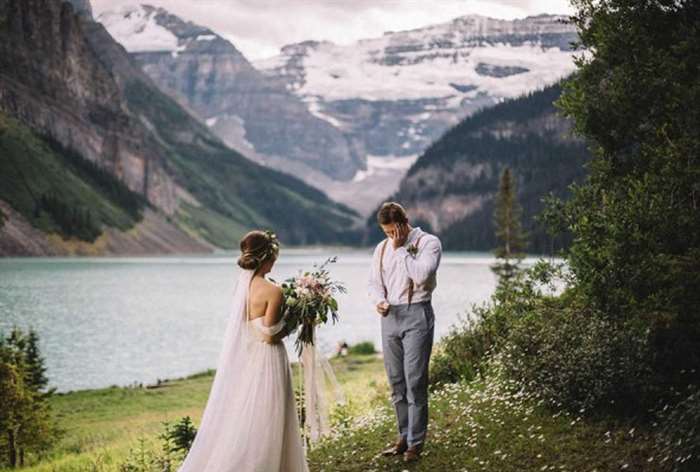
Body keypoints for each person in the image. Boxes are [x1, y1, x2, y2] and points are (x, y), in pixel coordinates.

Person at [178, 230, 308, 472]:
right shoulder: (274, 291)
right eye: (275, 255)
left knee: (246, 414)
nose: (276, 260)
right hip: (268, 359)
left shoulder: (242, 286)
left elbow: (248, 325)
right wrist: (297, 320)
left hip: (247, 357)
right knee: (270, 416)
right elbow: (270, 335)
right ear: (268, 256)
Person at [368, 202, 442, 463]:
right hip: (389, 317)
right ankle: (403, 435)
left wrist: (400, 250)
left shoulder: (429, 243)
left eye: (393, 232)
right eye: (386, 233)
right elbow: (375, 283)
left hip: (417, 314)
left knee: (415, 380)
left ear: (404, 222)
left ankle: (416, 442)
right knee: (397, 382)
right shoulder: (380, 248)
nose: (390, 237)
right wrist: (379, 300)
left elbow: (422, 276)